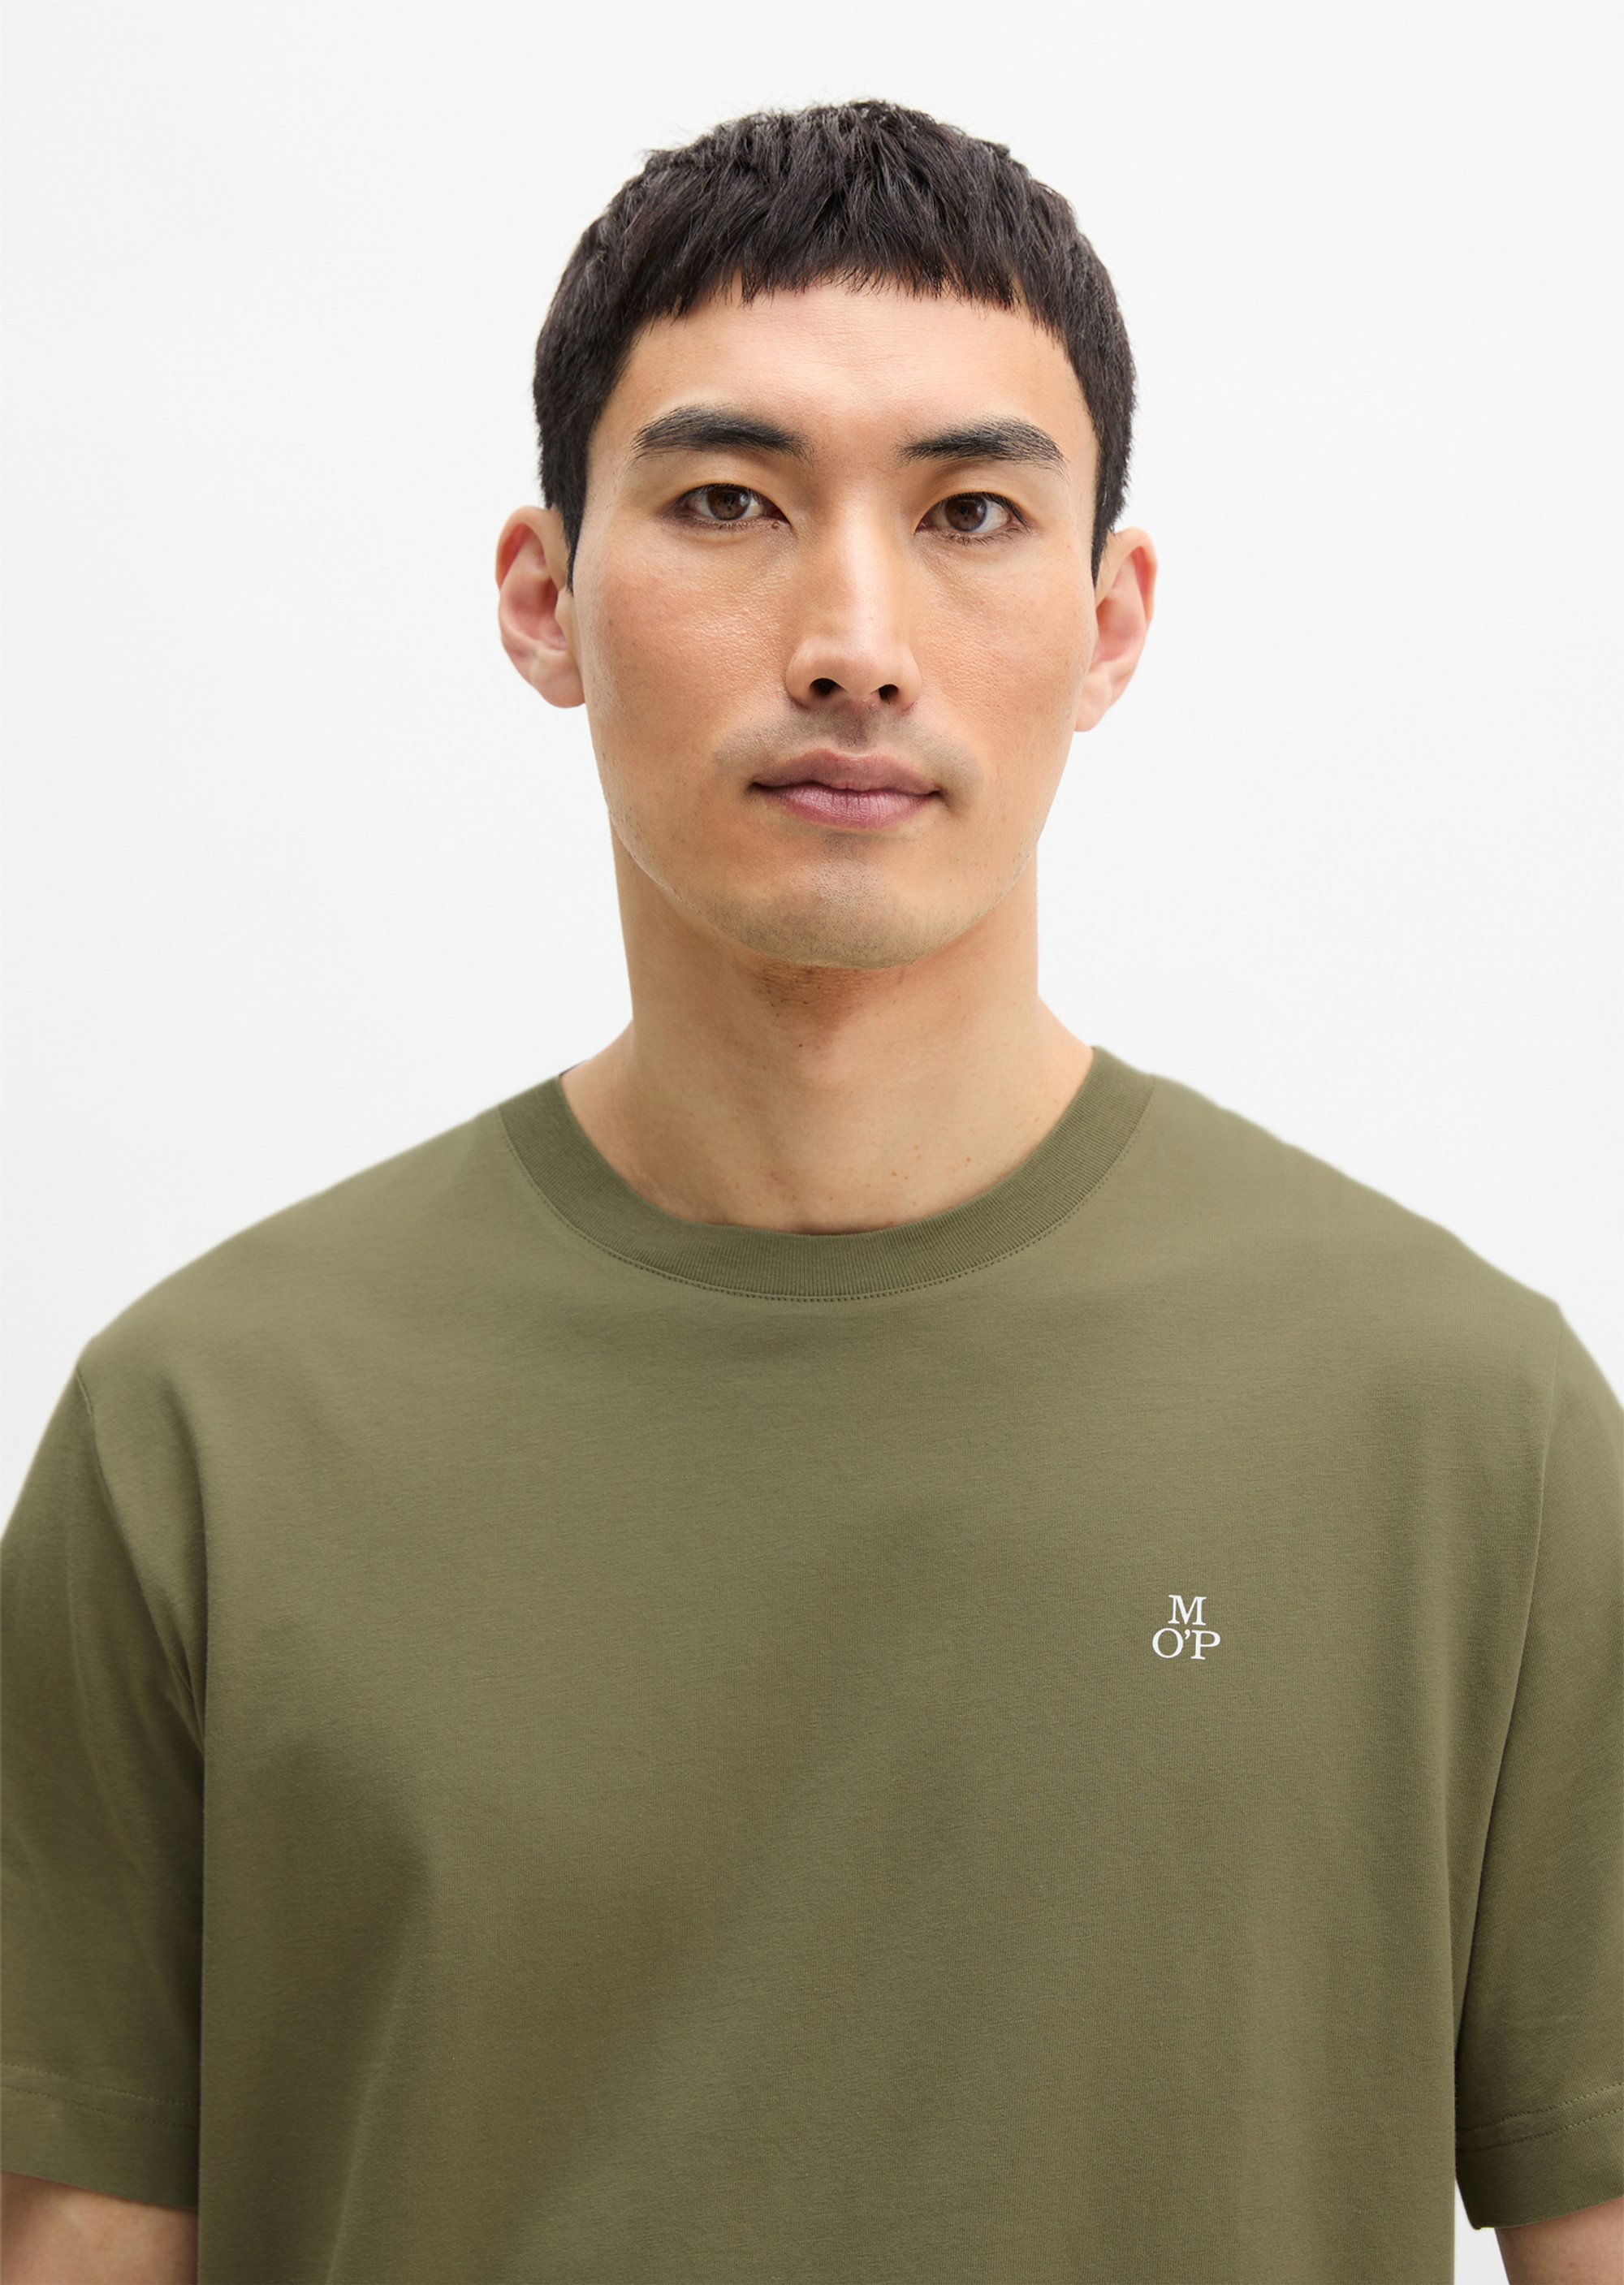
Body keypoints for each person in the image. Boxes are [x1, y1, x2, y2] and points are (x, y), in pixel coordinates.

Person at [2, 97, 1618, 2285]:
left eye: (971, 512)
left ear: (1110, 619)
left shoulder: (1468, 1434)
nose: (854, 636)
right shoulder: (203, 1440)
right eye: (729, 502)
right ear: (544, 598)